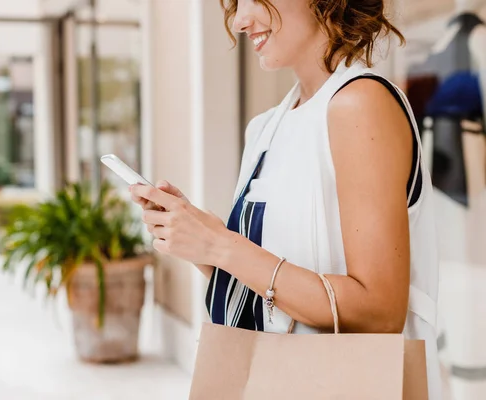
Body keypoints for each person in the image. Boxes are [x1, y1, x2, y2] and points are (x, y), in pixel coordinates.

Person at [130, 0, 441, 398]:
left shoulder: (360, 105)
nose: (240, 21)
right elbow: (272, 289)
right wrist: (203, 244)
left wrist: (223, 246)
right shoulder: (266, 128)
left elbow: (379, 314)